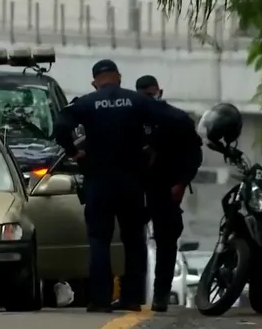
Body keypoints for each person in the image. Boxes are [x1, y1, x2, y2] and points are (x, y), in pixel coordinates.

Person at [53, 60, 187, 313]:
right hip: (132, 182)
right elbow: (174, 120)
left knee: (99, 239)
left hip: (99, 180)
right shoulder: (137, 101)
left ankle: (101, 299)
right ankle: (132, 298)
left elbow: (60, 126)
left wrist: (73, 152)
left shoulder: (85, 102)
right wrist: (154, 147)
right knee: (134, 240)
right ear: (119, 77)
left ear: (95, 82)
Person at [134, 75, 203, 312]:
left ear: (160, 92)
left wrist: (182, 183)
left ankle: (161, 295)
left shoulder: (176, 119)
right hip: (136, 188)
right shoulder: (129, 119)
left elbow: (193, 155)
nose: (151, 99)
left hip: (165, 188)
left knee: (166, 242)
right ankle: (131, 294)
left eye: (152, 94)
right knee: (131, 240)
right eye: (145, 96)